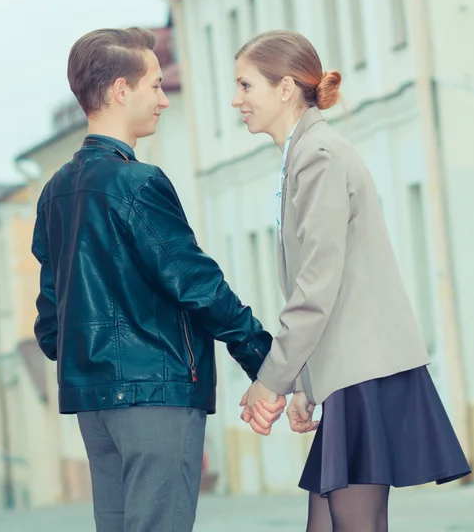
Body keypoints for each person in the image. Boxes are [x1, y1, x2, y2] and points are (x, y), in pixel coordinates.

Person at [31, 27, 285, 532]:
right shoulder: (137, 182)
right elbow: (196, 282)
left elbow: (50, 323)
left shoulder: (56, 190)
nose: (163, 100)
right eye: (154, 85)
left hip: (95, 404)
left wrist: (91, 361)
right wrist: (268, 361)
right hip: (155, 395)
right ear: (121, 90)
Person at [233, 30, 471, 532]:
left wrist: (271, 380)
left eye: (245, 86)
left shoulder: (317, 155)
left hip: (364, 372)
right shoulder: (306, 152)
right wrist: (305, 385)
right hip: (352, 371)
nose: (237, 101)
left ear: (284, 88)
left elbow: (318, 284)